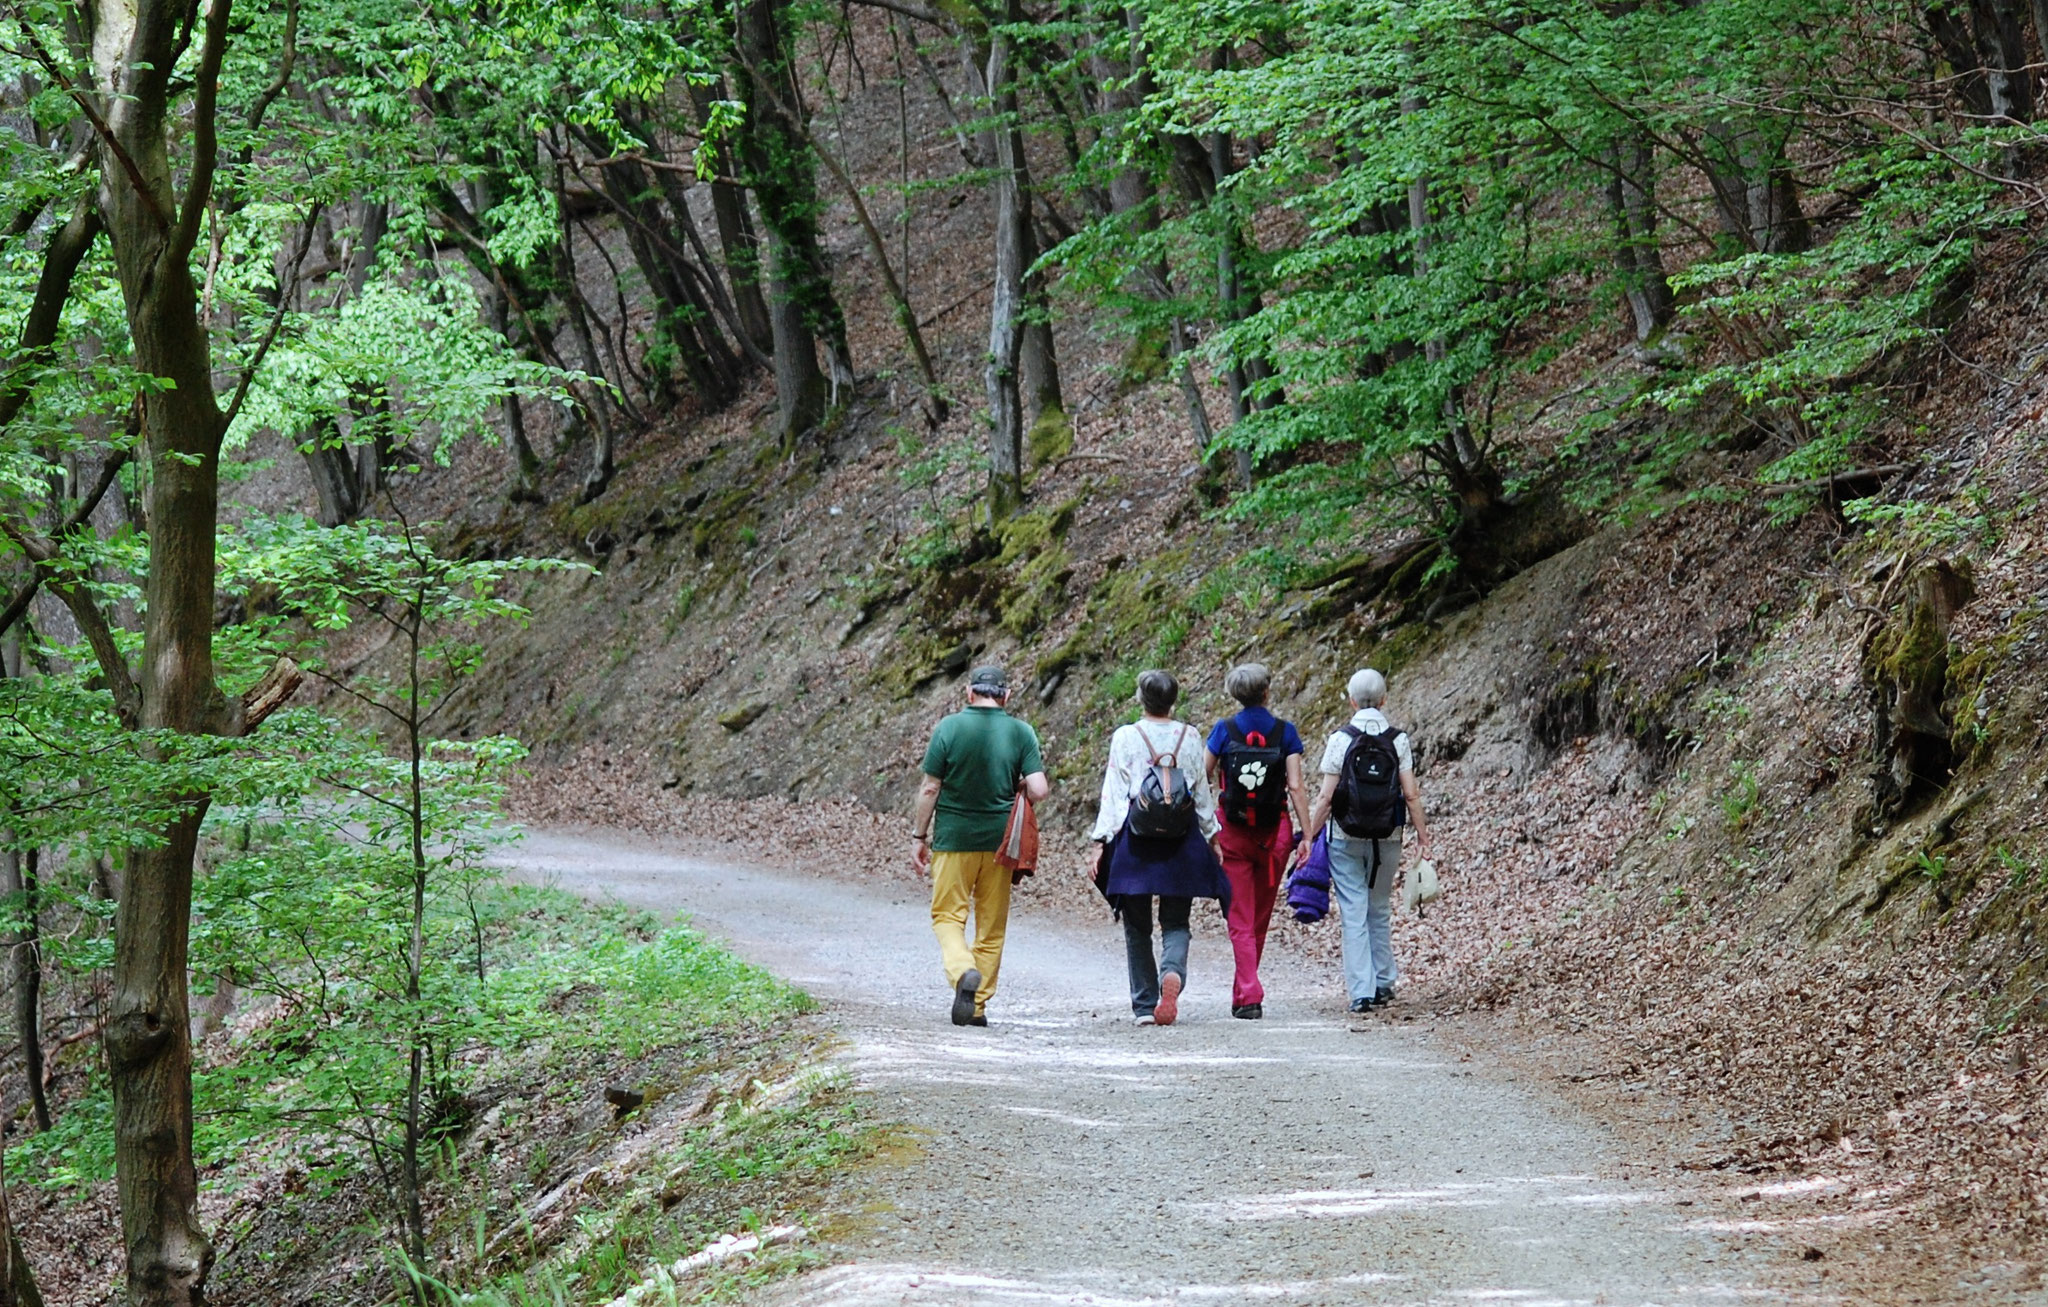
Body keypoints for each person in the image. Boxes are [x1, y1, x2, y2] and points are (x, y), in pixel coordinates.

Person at [1089, 669, 1230, 1025]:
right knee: (1176, 920)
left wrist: (1101, 842)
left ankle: (1144, 1004)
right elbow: (1200, 792)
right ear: (1174, 701)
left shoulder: (1126, 736)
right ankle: (1173, 973)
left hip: (1136, 841)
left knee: (1137, 926)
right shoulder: (1190, 736)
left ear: (1140, 698)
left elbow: (1115, 794)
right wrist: (1213, 837)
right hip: (1181, 839)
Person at [912, 665, 1050, 1027]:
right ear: (1005, 696)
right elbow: (1039, 789)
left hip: (953, 840)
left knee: (947, 916)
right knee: (991, 927)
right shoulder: (1021, 733)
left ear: (969, 694)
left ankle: (962, 972)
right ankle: (977, 1006)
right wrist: (1017, 786)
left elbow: (930, 788)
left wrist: (919, 836)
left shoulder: (948, 728)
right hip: (1000, 843)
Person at [1294, 668, 1434, 1014]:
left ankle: (1362, 991)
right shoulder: (1398, 740)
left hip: (1345, 835)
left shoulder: (1341, 739)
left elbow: (1326, 797)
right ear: (1384, 699)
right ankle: (1385, 980)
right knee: (1379, 905)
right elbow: (1411, 794)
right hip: (1388, 835)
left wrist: (1309, 835)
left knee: (1353, 911)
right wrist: (1423, 836)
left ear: (1351, 700)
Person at [1205, 663, 1309, 1020]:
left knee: (1240, 917)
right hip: (1274, 834)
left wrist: (1205, 826)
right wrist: (1307, 834)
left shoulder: (1223, 730)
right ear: (1267, 692)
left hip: (1231, 833)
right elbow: (1295, 786)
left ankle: (1248, 992)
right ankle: (1245, 991)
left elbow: (1202, 777)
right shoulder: (1286, 732)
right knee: (1259, 917)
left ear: (1235, 694)